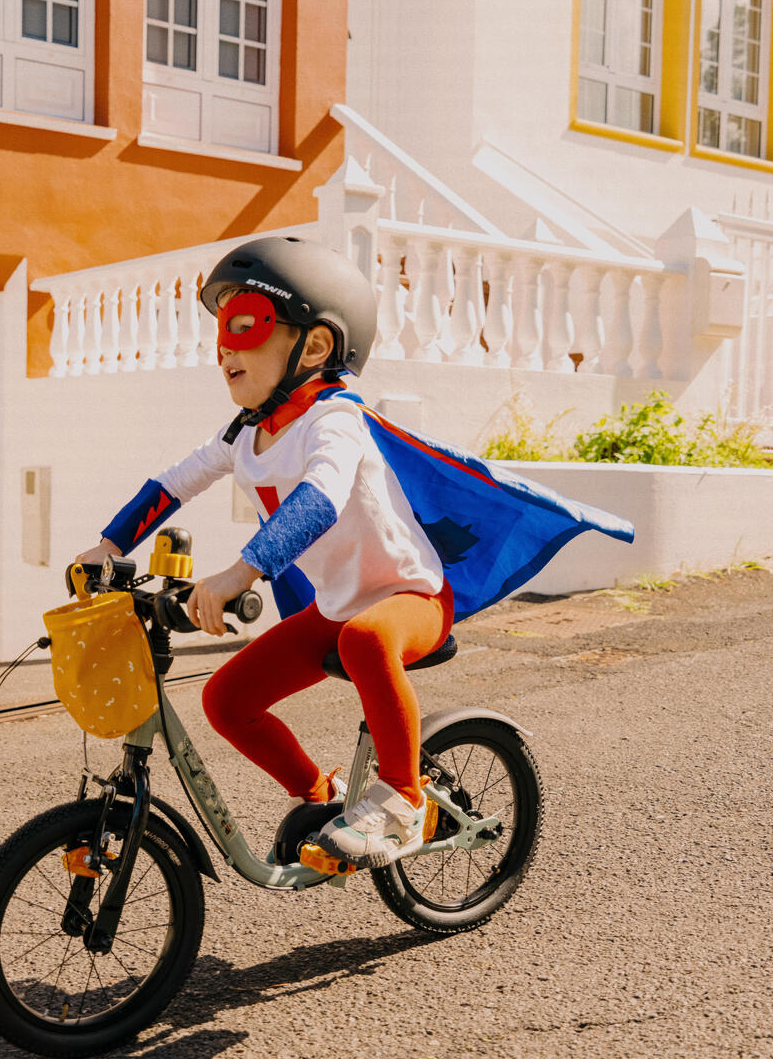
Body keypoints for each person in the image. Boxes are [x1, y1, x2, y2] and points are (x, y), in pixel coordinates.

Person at [77, 236, 633, 868]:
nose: (225, 345)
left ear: (314, 345)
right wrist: (108, 545)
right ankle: (324, 794)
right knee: (225, 700)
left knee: (365, 641)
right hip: (339, 605)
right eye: (219, 332)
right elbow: (173, 484)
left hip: (410, 597)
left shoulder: (334, 419)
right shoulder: (246, 434)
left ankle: (403, 799)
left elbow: (319, 500)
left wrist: (242, 571)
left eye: (245, 323)